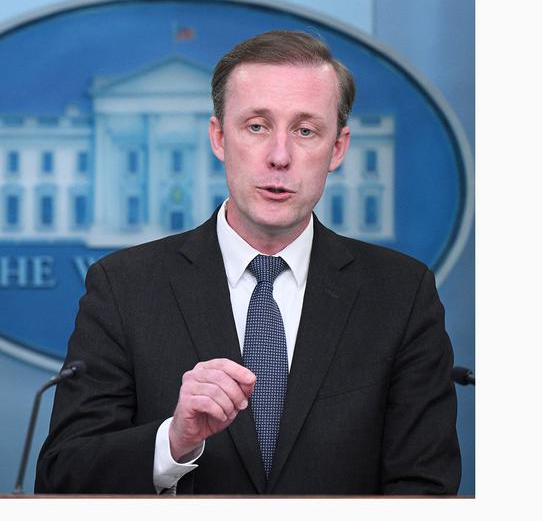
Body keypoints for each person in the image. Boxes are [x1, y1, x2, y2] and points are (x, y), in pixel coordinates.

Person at [34, 30, 461, 495]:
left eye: (305, 130)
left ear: (337, 148)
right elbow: (62, 478)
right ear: (219, 138)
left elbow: (425, 489)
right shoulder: (123, 287)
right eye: (256, 126)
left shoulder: (401, 294)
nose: (279, 156)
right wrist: (172, 442)